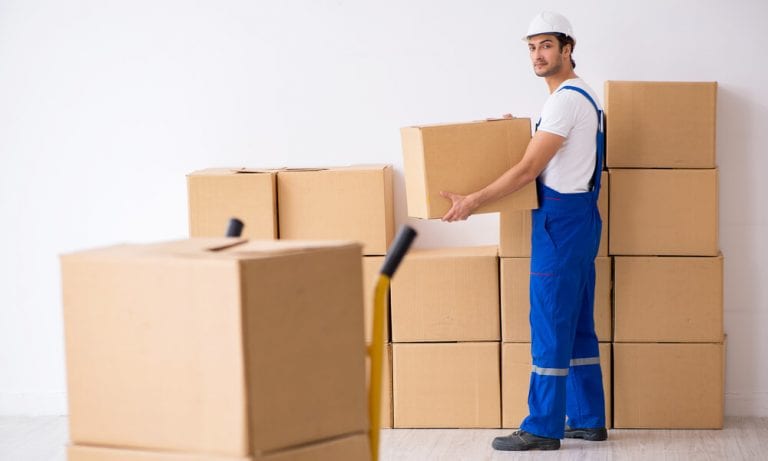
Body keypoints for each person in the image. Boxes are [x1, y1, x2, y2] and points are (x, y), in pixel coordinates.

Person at [440, 11, 607, 451]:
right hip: (580, 220)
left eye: (547, 45)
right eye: (532, 47)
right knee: (576, 327)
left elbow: (530, 169)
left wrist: (473, 201)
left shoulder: (565, 101)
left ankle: (542, 427)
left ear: (567, 49)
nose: (538, 54)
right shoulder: (581, 97)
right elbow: (551, 157)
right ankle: (588, 419)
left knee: (551, 322)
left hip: (560, 224)